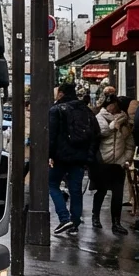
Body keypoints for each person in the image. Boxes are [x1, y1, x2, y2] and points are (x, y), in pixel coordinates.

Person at [49, 82, 99, 234]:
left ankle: (64, 218)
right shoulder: (86, 110)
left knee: (52, 184)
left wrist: (49, 155)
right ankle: (75, 223)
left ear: (61, 94)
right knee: (75, 190)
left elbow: (51, 136)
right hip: (80, 157)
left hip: (60, 156)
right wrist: (89, 157)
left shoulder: (56, 109)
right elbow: (96, 134)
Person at [93, 95, 135, 234]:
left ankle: (116, 223)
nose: (112, 107)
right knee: (101, 190)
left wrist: (126, 159)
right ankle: (95, 216)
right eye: (110, 105)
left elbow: (129, 143)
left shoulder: (124, 121)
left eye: (115, 105)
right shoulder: (100, 117)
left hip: (118, 163)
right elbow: (103, 132)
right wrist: (114, 124)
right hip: (103, 162)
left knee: (117, 194)